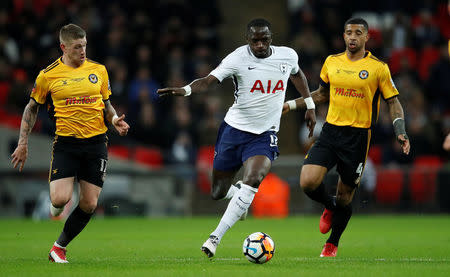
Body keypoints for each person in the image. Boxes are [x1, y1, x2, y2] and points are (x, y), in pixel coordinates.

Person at [157, 18, 316, 258]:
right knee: (218, 192)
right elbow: (209, 81)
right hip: (233, 131)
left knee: (253, 178)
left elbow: (298, 75)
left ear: (271, 37)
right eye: (255, 41)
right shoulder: (237, 58)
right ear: (247, 40)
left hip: (265, 134)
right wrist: (186, 90)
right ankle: (238, 198)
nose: (260, 45)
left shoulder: (287, 55)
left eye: (265, 39)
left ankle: (214, 238)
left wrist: (310, 104)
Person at [283, 18, 410, 257]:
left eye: (358, 33)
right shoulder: (332, 62)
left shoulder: (378, 68)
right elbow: (321, 94)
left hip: (359, 137)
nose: (352, 37)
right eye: (348, 32)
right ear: (343, 36)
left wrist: (400, 131)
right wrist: (291, 105)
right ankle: (329, 207)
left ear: (366, 37)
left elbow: (393, 102)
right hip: (331, 131)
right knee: (307, 181)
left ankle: (332, 243)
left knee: (345, 197)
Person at [10, 24, 130, 263]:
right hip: (66, 144)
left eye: (84, 45)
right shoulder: (48, 75)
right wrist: (23, 143)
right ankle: (56, 204)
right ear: (63, 47)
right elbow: (32, 107)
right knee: (60, 200)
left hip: (96, 143)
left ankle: (58, 248)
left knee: (89, 203)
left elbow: (106, 105)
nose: (83, 51)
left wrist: (115, 119)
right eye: (77, 47)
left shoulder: (99, 70)